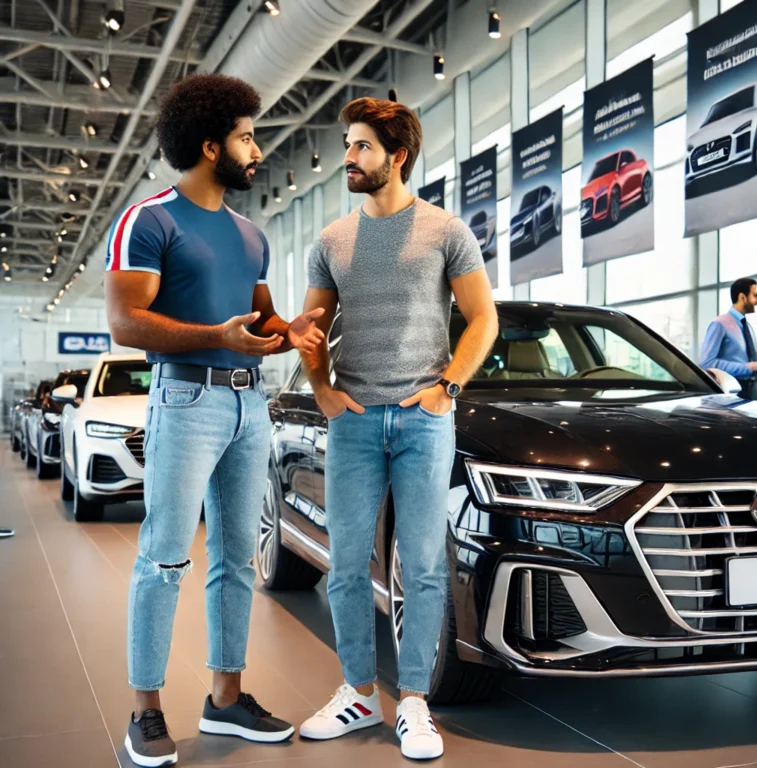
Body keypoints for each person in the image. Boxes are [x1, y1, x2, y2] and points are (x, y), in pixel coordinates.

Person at [105, 74, 325, 768]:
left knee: (237, 557)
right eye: (246, 136)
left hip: (246, 402)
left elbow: (261, 320)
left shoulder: (251, 235)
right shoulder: (152, 220)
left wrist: (300, 330)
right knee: (164, 557)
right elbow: (124, 322)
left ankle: (225, 699)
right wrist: (217, 336)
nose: (257, 149)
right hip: (186, 400)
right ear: (209, 145)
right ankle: (145, 712)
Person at [297, 97, 498, 760]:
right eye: (348, 146)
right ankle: (357, 692)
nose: (348, 159)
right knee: (349, 564)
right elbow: (312, 328)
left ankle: (413, 701)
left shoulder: (445, 231)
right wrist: (321, 389)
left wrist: (446, 389)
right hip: (353, 420)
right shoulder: (331, 241)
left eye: (360, 147)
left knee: (423, 565)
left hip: (423, 421)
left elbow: (482, 320)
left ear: (397, 155)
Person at [701, 277, 757, 401]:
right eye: (755, 295)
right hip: (733, 393)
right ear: (742, 297)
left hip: (752, 391)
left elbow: (748, 357)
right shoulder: (719, 324)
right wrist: (749, 368)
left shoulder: (747, 326)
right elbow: (707, 364)